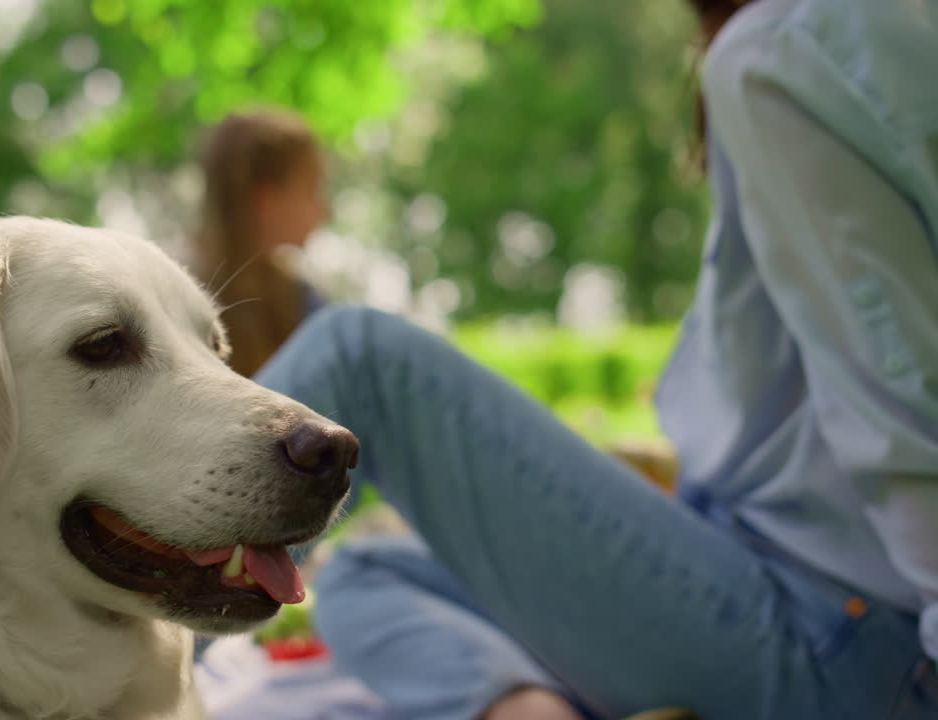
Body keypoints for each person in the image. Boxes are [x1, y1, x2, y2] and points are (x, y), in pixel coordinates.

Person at [250, 0, 938, 718]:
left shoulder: (784, 44)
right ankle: (526, 708)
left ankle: (134, 632)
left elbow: (905, 404)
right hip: (795, 587)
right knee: (367, 568)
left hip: (845, 647)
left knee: (361, 360)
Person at [189, 107, 329, 378]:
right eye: (313, 190)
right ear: (266, 199)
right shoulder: (183, 297)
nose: (324, 210)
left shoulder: (301, 298)